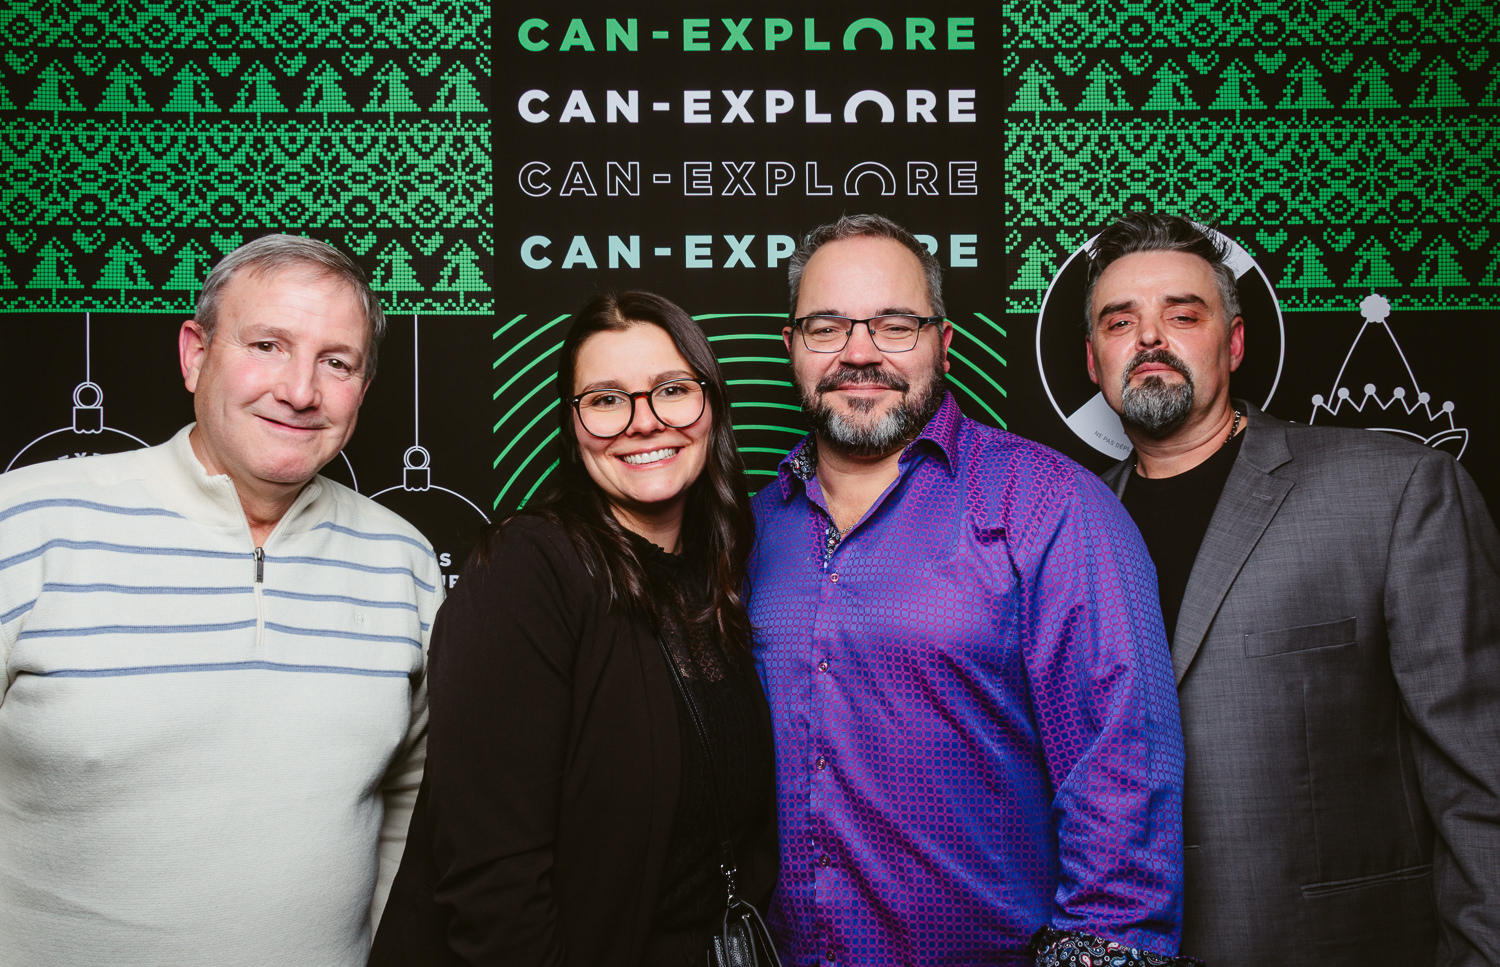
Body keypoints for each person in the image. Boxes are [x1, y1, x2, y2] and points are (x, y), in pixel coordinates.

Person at [747, 214, 1195, 966]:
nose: (859, 352)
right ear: (791, 346)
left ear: (944, 343)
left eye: (895, 325)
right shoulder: (754, 530)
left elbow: (1121, 778)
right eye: (827, 327)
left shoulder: (1050, 506)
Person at [0, 234, 442, 966]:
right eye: (268, 345)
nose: (300, 390)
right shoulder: (24, 522)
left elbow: (413, 796)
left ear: (361, 390)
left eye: (337, 362)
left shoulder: (406, 563)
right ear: (195, 354)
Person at [1083, 210, 1500, 966]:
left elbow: (1482, 777)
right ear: (1093, 360)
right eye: (1120, 322)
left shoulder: (1396, 490)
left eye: (1183, 315)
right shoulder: (1062, 527)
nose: (1149, 338)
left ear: (1235, 342)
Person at [371, 291, 777, 966]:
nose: (644, 422)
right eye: (607, 399)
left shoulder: (724, 575)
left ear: (711, 406)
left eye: (672, 390)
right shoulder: (527, 570)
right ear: (573, 422)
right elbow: (494, 884)